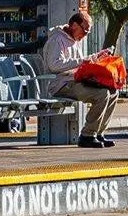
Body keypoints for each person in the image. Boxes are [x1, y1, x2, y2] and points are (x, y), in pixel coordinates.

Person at [39, 12, 117, 147]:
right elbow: (54, 65)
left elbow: (79, 62)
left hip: (74, 81)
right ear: (74, 25)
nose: (85, 35)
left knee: (113, 92)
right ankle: (87, 135)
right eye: (85, 31)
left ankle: (98, 132)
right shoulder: (57, 39)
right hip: (61, 84)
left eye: (88, 32)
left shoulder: (74, 41)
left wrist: (96, 58)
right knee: (101, 94)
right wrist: (82, 61)